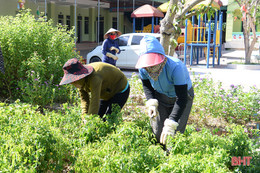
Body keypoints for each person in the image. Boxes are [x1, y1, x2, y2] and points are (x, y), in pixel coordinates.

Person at [135, 35, 194, 147]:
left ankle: (172, 158)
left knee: (174, 132)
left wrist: (171, 123)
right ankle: (160, 155)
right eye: (148, 65)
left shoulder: (176, 67)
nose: (151, 68)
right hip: (161, 96)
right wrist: (151, 102)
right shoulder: (143, 68)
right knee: (158, 131)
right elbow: (147, 85)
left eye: (154, 64)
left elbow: (181, 98)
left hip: (182, 97)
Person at [59, 58, 130, 120]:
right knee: (98, 117)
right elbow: (84, 100)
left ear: (78, 77)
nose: (72, 83)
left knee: (110, 118)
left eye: (73, 81)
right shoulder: (80, 82)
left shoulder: (95, 77)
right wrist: (85, 117)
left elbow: (95, 100)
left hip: (119, 89)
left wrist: (90, 120)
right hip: (104, 90)